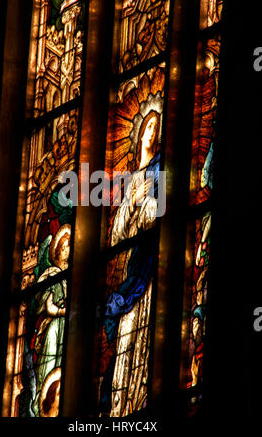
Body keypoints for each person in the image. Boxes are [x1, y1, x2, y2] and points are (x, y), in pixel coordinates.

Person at [100, 110, 161, 417]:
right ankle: (121, 402)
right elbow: (117, 233)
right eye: (148, 126)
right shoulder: (136, 177)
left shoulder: (160, 171)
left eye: (156, 127)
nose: (152, 131)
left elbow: (156, 213)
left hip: (147, 267)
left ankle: (137, 397)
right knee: (127, 331)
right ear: (139, 134)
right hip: (131, 264)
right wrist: (133, 205)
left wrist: (142, 209)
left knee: (141, 328)